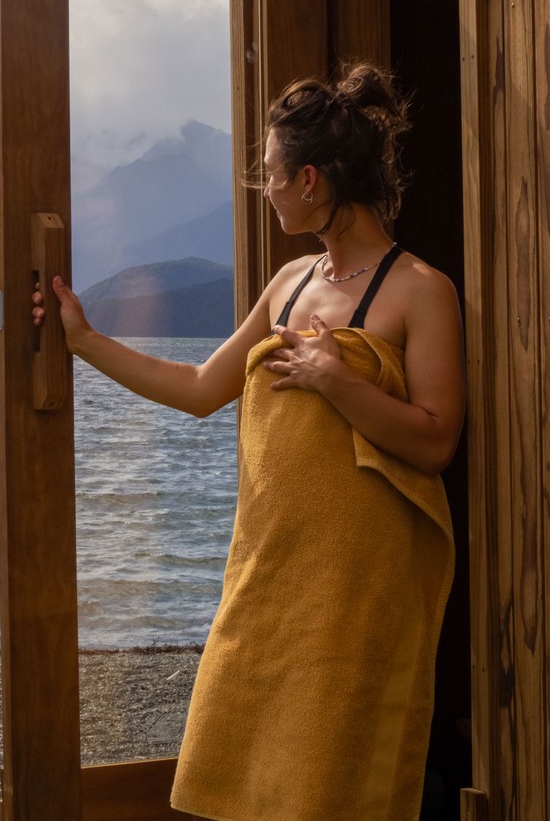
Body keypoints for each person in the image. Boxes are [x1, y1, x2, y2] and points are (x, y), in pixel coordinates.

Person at [32, 61, 465, 821]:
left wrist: (341, 381)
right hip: (270, 570)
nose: (262, 190)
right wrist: (84, 343)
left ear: (309, 180)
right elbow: (201, 388)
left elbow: (435, 443)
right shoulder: (289, 282)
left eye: (267, 174)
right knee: (239, 767)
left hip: (358, 586)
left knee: (335, 786)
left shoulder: (420, 289)